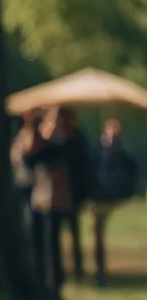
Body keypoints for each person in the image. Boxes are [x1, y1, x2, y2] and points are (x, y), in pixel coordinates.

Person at [23, 107, 75, 294]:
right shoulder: (46, 145)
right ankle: (43, 280)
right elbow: (29, 159)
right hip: (41, 200)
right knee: (39, 242)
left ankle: (53, 283)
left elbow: (37, 157)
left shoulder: (62, 145)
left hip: (54, 201)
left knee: (51, 245)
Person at [88, 118, 139, 286]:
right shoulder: (97, 152)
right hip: (99, 196)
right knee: (97, 234)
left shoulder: (122, 154)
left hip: (113, 197)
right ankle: (99, 270)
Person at [62, 109, 95, 281]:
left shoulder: (77, 140)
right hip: (60, 193)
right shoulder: (61, 139)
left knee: (74, 232)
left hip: (73, 193)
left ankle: (77, 270)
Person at [10, 109, 40, 239]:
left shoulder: (30, 136)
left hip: (29, 182)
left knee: (29, 218)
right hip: (21, 181)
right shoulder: (20, 137)